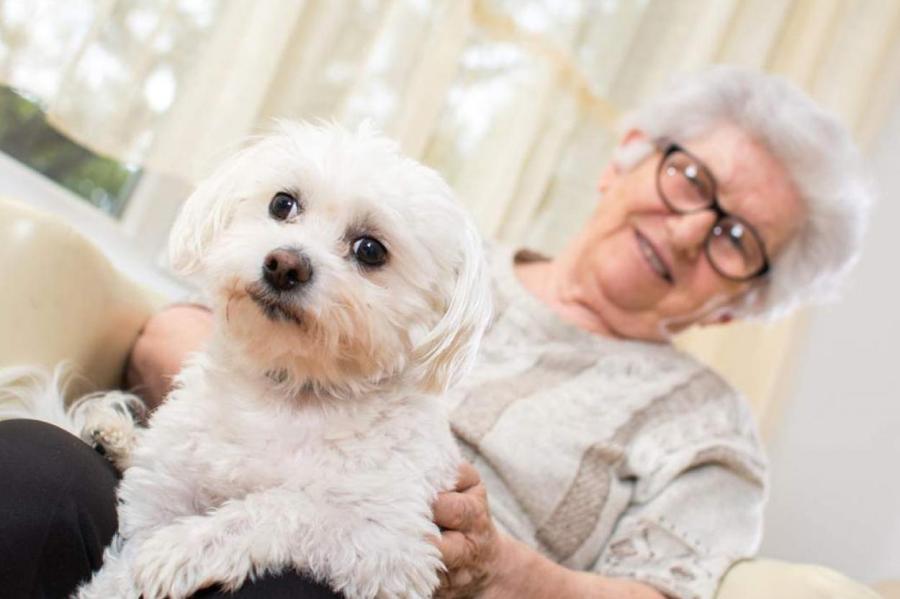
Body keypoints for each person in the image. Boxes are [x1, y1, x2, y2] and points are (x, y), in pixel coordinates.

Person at [0, 66, 870, 599]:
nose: (689, 230)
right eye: (690, 177)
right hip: (202, 483)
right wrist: (272, 428)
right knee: (31, 472)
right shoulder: (438, 246)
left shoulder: (707, 428)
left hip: (372, 574)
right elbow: (171, 331)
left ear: (741, 305)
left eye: (736, 240)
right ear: (626, 156)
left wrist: (492, 565)